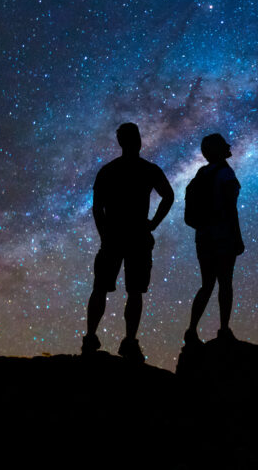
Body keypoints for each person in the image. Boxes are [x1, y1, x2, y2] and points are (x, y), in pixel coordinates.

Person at [82, 122, 174, 361]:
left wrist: (104, 233)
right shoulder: (148, 169)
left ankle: (91, 337)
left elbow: (97, 208)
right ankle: (129, 341)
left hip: (115, 235)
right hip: (137, 236)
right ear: (138, 141)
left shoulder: (108, 170)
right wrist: (152, 223)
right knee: (134, 291)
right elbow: (169, 196)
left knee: (102, 288)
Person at [185, 132, 245, 345]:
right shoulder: (225, 174)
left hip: (203, 236)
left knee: (207, 284)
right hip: (222, 235)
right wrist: (237, 237)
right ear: (219, 150)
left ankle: (191, 330)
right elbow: (231, 208)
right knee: (225, 283)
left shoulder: (201, 173)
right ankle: (224, 329)